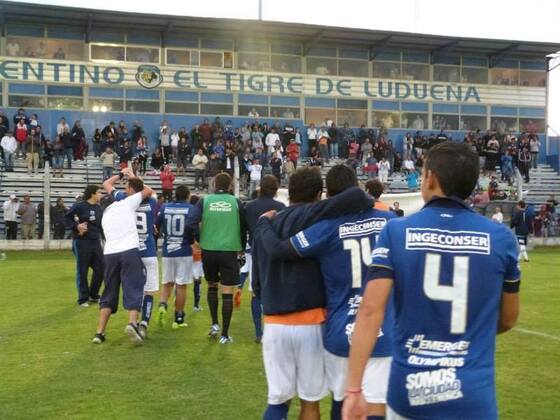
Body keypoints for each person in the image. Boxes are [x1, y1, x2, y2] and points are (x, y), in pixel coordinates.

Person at [343, 142, 520, 420]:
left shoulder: (396, 230)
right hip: (473, 394)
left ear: (430, 178)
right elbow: (508, 319)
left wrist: (353, 390)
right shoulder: (501, 238)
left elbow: (369, 312)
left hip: (410, 389)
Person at [258, 165, 396, 419]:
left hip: (340, 330)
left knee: (341, 401)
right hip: (383, 329)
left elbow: (283, 251)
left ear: (328, 195)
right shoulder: (390, 222)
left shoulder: (327, 227)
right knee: (376, 405)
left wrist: (264, 225)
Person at [92, 170, 153, 344]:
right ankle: (132, 323)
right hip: (129, 250)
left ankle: (99, 333)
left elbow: (106, 185)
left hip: (110, 253)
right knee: (133, 285)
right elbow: (147, 190)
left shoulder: (105, 215)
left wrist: (119, 175)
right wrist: (129, 174)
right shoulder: (126, 203)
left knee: (109, 291)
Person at [187, 173, 247, 344]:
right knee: (227, 292)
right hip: (229, 250)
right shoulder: (236, 202)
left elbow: (190, 222)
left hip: (209, 250)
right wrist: (241, 247)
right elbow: (244, 227)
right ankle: (225, 335)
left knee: (212, 286)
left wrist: (197, 239)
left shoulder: (204, 201)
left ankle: (214, 324)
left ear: (214, 184)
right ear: (229, 186)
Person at [239, 176, 286, 342]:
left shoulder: (249, 206)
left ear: (260, 188)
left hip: (254, 252)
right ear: (276, 189)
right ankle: (273, 329)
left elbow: (242, 230)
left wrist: (240, 249)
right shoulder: (280, 207)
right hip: (274, 252)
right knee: (275, 290)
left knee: (255, 292)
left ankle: (259, 332)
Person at [156, 185, 195, 329]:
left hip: (168, 251)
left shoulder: (165, 207)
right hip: (184, 250)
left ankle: (162, 304)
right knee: (181, 285)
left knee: (167, 283)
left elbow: (156, 225)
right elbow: (192, 228)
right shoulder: (190, 209)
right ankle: (178, 318)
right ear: (187, 195)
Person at [65, 185, 105, 307]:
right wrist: (77, 227)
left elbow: (101, 226)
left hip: (95, 242)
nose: (101, 195)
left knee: (101, 269)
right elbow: (67, 217)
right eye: (99, 192)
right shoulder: (80, 205)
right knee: (82, 270)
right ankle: (83, 298)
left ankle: (93, 295)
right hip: (81, 242)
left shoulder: (99, 208)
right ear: (92, 194)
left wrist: (106, 238)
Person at [190, 195, 204, 311]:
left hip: (187, 250)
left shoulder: (188, 215)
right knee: (197, 278)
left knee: (180, 279)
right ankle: (196, 305)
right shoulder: (200, 218)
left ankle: (176, 299)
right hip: (198, 251)